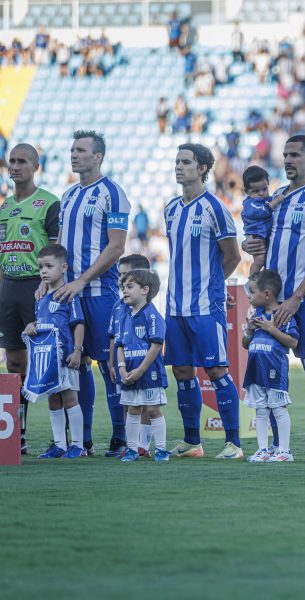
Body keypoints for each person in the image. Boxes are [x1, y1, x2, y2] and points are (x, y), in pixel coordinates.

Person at [245, 135, 305, 461]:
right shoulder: (277, 199)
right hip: (271, 301)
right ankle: (270, 447)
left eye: (295, 154)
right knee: (265, 371)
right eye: (285, 154)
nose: (288, 160)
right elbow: (258, 240)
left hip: (304, 300)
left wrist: (297, 298)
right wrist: (251, 246)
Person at [164, 143, 243, 460]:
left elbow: (233, 256)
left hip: (205, 306)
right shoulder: (170, 209)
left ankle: (233, 443)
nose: (179, 166)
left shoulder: (214, 208)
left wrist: (211, 285)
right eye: (177, 161)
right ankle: (192, 442)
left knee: (216, 370)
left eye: (186, 162)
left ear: (202, 169)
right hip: (173, 306)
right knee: (182, 371)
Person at [55, 130, 129, 457]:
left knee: (108, 364)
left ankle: (120, 437)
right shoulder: (68, 196)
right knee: (76, 364)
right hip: (69, 292)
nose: (74, 155)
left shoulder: (113, 193)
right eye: (72, 149)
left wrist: (82, 280)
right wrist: (53, 281)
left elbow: (116, 246)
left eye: (81, 150)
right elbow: (59, 246)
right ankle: (81, 441)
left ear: (97, 156)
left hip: (99, 291)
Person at [0, 143, 60, 454]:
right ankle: (17, 436)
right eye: (12, 161)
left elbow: (55, 251)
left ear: (36, 166)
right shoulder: (5, 207)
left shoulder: (49, 204)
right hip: (9, 288)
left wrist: (49, 288)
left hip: (37, 288)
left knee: (46, 363)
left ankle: (61, 439)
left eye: (22, 161)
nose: (15, 166)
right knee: (13, 362)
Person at [22, 244, 85, 459]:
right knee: (53, 400)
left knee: (70, 398)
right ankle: (60, 445)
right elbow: (42, 324)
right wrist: (31, 326)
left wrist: (77, 350)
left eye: (49, 266)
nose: (44, 271)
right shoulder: (40, 298)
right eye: (41, 267)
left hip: (65, 357)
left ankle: (77, 445)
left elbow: (78, 324)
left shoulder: (69, 294)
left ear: (64, 267)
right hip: (47, 360)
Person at [242, 269, 299, 463]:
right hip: (256, 368)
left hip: (275, 368)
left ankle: (284, 450)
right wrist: (249, 330)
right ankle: (263, 449)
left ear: (266, 294)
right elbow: (245, 344)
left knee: (279, 408)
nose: (249, 296)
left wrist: (270, 328)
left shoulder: (283, 314)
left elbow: (293, 342)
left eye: (252, 291)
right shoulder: (255, 314)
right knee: (260, 410)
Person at [115, 269, 170, 463]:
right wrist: (122, 368)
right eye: (123, 288)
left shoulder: (152, 316)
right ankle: (132, 449)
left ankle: (162, 449)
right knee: (132, 409)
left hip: (149, 374)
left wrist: (139, 371)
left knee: (153, 410)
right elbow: (119, 345)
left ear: (145, 289)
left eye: (130, 287)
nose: (125, 291)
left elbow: (156, 346)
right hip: (129, 372)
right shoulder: (124, 316)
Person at [107, 254, 152, 456]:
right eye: (119, 275)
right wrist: (112, 364)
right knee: (127, 403)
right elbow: (114, 338)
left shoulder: (148, 309)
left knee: (147, 406)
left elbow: (156, 341)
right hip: (123, 363)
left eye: (126, 276)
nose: (121, 281)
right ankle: (132, 444)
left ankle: (145, 445)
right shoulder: (118, 307)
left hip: (144, 363)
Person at [241, 165, 272, 278]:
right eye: (256, 191)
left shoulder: (268, 199)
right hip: (256, 236)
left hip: (264, 234)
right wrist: (274, 203)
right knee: (260, 260)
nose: (261, 193)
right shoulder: (250, 204)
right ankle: (252, 279)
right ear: (246, 192)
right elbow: (262, 211)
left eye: (264, 189)